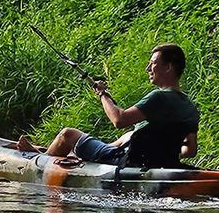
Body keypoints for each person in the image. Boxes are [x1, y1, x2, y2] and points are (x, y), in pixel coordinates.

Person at [17, 43, 199, 168]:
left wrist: (103, 94)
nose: (148, 69)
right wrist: (165, 154)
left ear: (168, 67)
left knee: (68, 135)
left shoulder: (160, 97)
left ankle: (39, 164)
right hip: (156, 160)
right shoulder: (190, 108)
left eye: (152, 64)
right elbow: (190, 151)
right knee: (125, 137)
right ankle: (43, 151)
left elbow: (119, 120)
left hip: (128, 161)